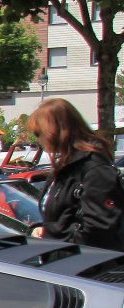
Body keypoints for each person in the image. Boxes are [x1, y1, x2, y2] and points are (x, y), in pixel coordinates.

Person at [30, 98, 124, 249]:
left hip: (81, 260)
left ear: (54, 131)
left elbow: (99, 230)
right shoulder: (66, 166)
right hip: (61, 257)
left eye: (38, 133)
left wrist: (57, 242)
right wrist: (45, 230)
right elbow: (64, 218)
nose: (38, 140)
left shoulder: (94, 168)